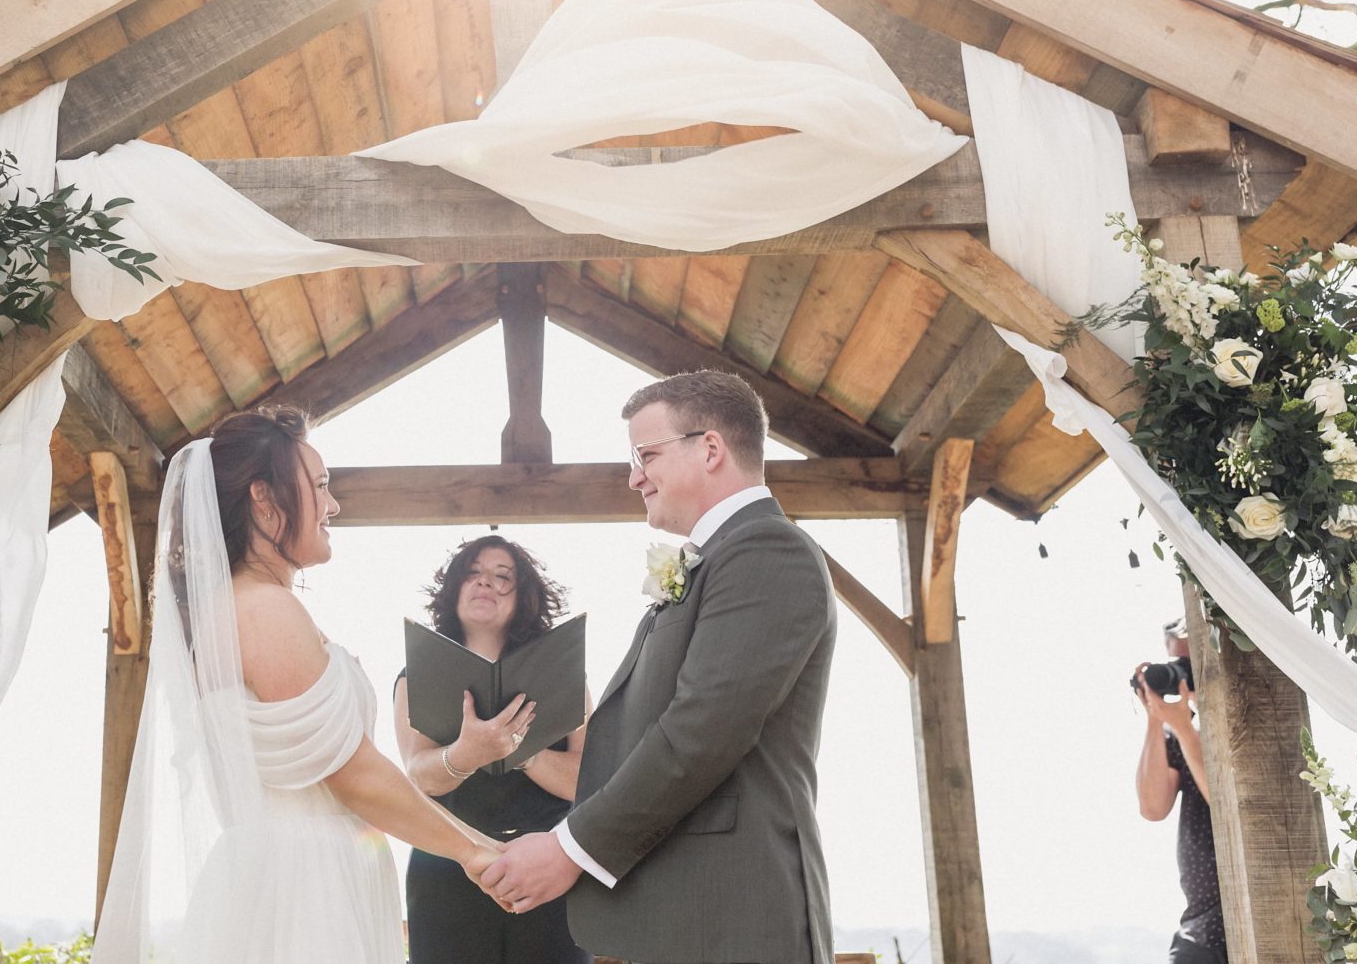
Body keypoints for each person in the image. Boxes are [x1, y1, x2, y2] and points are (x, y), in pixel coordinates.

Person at [483, 370, 837, 964]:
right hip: (681, 915)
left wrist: (570, 849)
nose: (633, 476)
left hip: (731, 917)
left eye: (646, 454)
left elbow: (702, 729)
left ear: (711, 449)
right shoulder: (721, 558)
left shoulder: (766, 550)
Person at [140, 406, 503, 963]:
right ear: (263, 498)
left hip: (291, 874)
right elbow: (354, 774)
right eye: (321, 486)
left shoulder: (238, 607)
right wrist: (476, 852)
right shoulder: (264, 609)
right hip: (305, 892)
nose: (332, 506)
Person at [393, 535, 593, 964]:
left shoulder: (566, 676)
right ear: (454, 588)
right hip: (447, 868)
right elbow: (419, 776)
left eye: (503, 577)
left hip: (546, 871)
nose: (485, 582)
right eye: (474, 572)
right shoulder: (417, 675)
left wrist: (523, 751)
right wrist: (469, 751)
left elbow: (589, 778)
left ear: (524, 599)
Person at [1134, 619, 1224, 964]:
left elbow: (1227, 807)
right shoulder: (1180, 736)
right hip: (1199, 932)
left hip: (1249, 918)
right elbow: (1153, 807)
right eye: (1177, 666)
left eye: (1190, 665)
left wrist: (1187, 732)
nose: (1184, 677)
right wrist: (1156, 717)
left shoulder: (1243, 727)